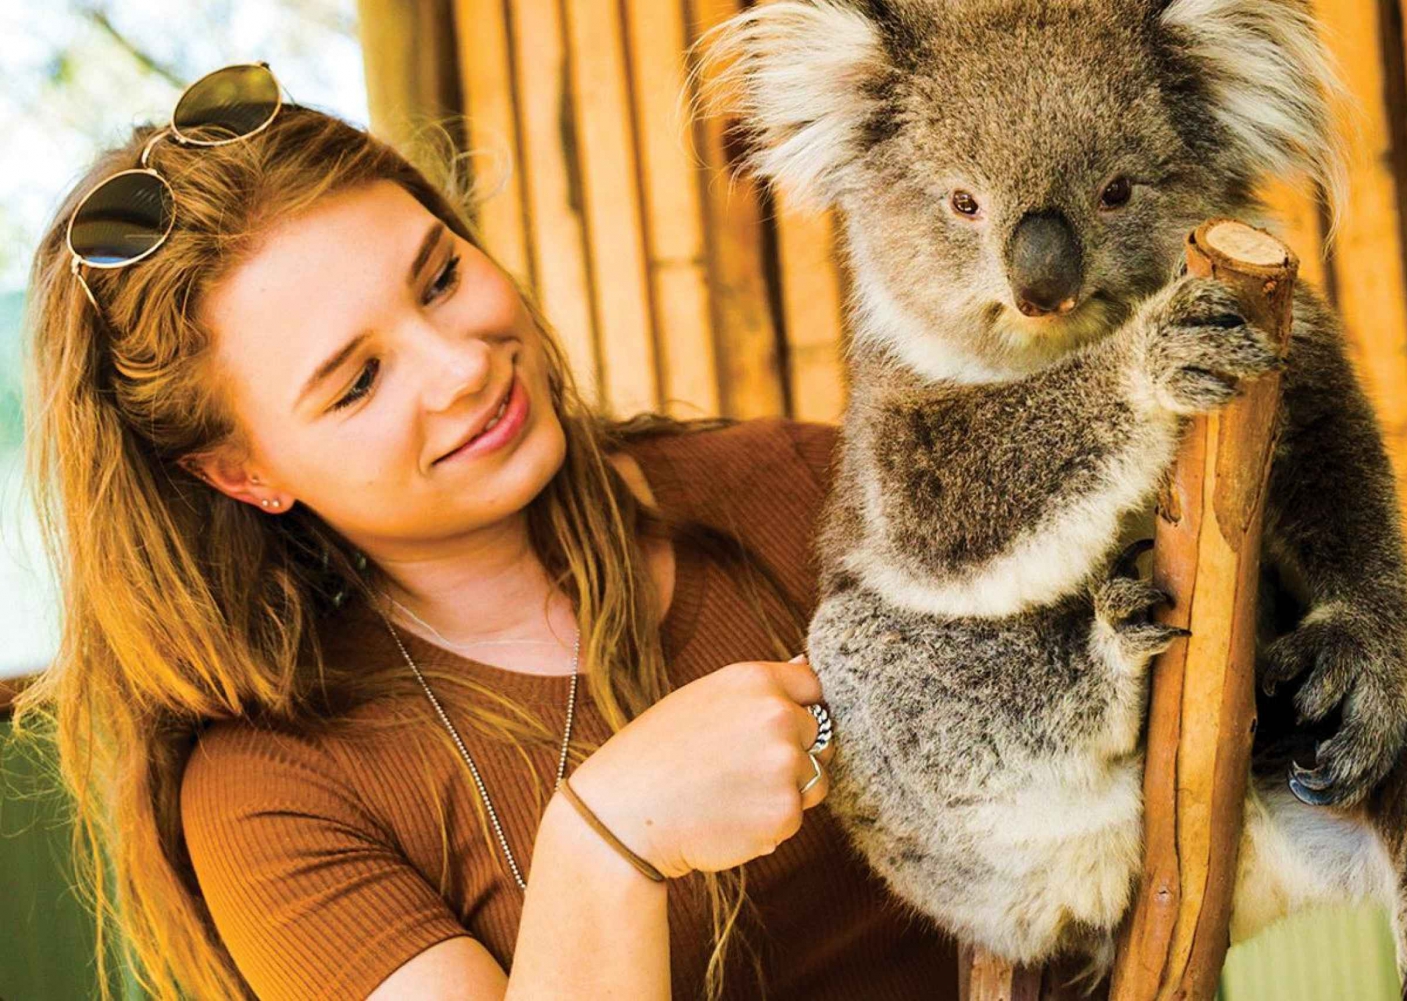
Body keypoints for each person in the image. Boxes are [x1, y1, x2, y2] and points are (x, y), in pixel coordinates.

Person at [8, 64, 959, 1000]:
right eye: (358, 381)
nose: (461, 365)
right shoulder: (277, 795)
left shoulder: (800, 485)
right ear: (242, 473)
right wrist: (606, 846)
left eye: (440, 279)